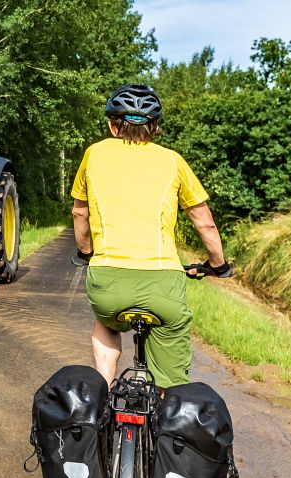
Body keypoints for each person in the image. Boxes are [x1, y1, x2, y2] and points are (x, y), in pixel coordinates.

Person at [71, 83, 232, 389]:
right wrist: (218, 265)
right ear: (155, 128)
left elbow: (80, 213)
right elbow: (205, 223)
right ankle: (163, 409)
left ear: (112, 126)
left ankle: (103, 393)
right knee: (170, 383)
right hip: (163, 286)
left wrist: (86, 252)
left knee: (106, 322)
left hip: (109, 284)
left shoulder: (94, 154)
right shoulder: (173, 161)